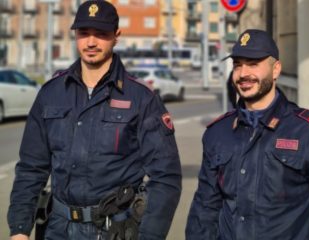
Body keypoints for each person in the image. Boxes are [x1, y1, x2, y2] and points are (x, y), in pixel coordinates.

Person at [7, 1, 182, 239]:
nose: (91, 42)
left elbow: (166, 177)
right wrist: (19, 229)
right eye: (84, 33)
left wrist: (150, 235)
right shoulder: (51, 93)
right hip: (57, 228)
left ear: (116, 36)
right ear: (75, 35)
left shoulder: (142, 98)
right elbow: (31, 168)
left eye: (101, 34)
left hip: (114, 230)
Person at [186, 29, 309, 239]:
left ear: (275, 69)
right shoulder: (218, 133)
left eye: (253, 64)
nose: (243, 74)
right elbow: (204, 210)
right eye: (238, 65)